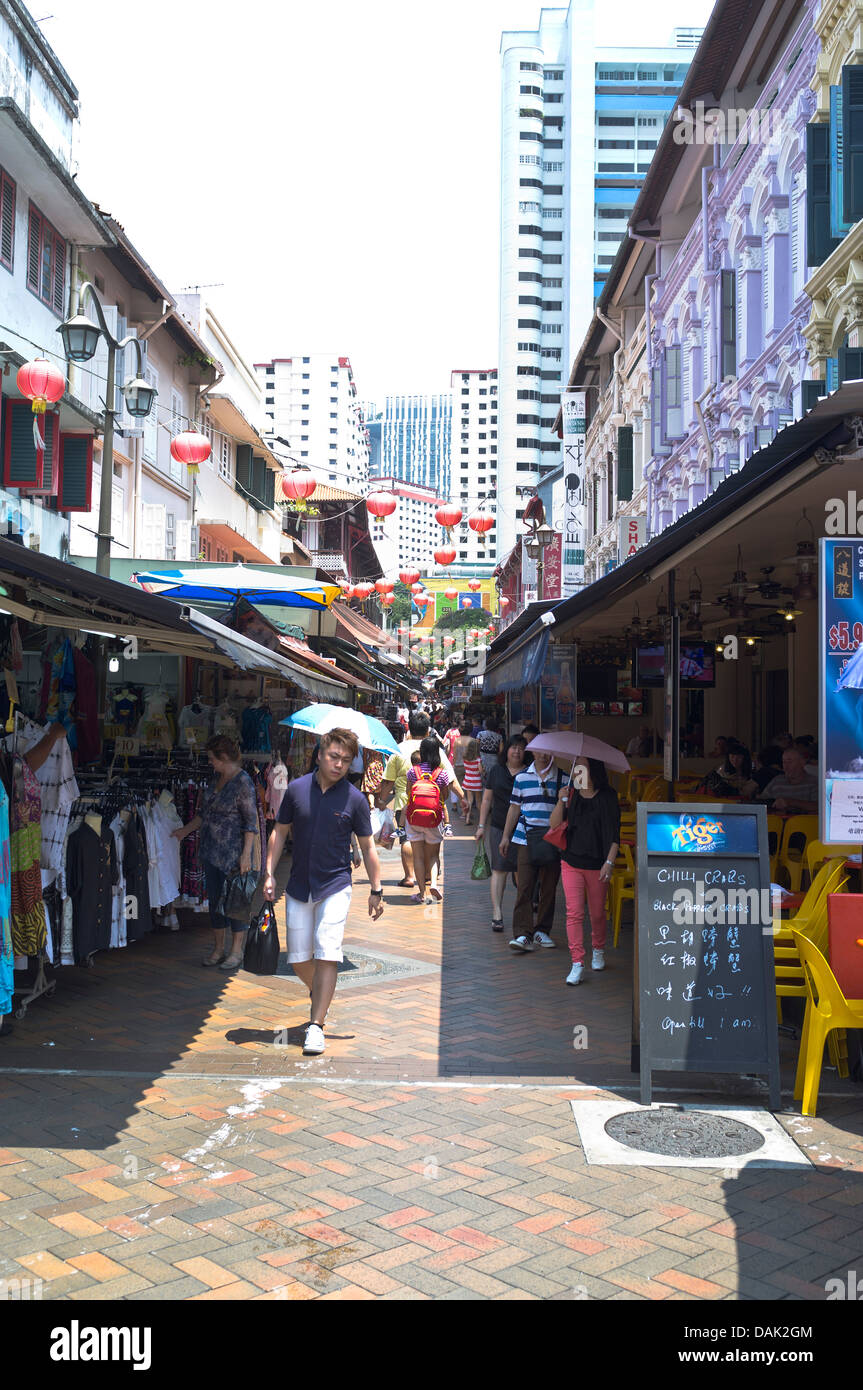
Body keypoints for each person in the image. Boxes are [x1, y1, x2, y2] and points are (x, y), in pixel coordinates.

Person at [263, 728, 383, 1057]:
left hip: (336, 884)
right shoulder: (297, 790)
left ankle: (316, 1025)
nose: (339, 763)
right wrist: (269, 873)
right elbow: (279, 833)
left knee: (328, 950)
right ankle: (322, 994)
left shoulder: (355, 800)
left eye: (345, 760)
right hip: (299, 885)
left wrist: (377, 888)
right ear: (319, 755)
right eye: (333, 756)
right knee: (299, 958)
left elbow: (368, 847)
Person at [173, 734, 259, 971]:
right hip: (211, 852)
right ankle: (219, 948)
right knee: (215, 904)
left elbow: (250, 823)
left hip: (233, 855)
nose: (209, 762)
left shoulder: (243, 782)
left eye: (212, 758)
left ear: (223, 757)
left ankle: (236, 950)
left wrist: (245, 855)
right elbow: (204, 813)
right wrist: (184, 831)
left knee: (236, 903)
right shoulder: (216, 780)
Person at [549, 757, 620, 986]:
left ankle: (598, 948)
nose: (576, 771)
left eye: (581, 767)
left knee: (598, 913)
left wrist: (609, 862)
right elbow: (554, 825)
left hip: (598, 864)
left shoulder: (608, 797)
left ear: (594, 770)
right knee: (574, 913)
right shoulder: (572, 794)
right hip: (571, 861)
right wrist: (561, 801)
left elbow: (614, 836)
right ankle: (577, 962)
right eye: (574, 767)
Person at [376, 710, 465, 888]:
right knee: (430, 842)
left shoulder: (399, 749)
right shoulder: (435, 749)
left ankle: (409, 876)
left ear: (409, 729)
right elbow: (451, 778)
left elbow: (388, 781)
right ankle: (427, 876)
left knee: (408, 839)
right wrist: (463, 798)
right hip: (433, 805)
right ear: (427, 731)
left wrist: (382, 800)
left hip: (406, 803)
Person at [500, 748, 563, 952]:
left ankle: (542, 930)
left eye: (547, 753)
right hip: (525, 838)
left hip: (552, 840)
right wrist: (505, 837)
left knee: (548, 887)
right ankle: (522, 934)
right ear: (533, 753)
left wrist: (564, 798)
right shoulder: (522, 778)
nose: (543, 756)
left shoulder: (563, 778)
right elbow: (514, 808)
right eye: (539, 752)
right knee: (524, 886)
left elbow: (568, 811)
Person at [475, 735, 527, 931]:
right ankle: (497, 913)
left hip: (523, 828)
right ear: (506, 750)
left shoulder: (529, 772)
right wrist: (481, 825)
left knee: (523, 872)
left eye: (521, 748)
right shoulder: (496, 771)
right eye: (513, 747)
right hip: (497, 825)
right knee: (499, 869)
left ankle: (522, 913)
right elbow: (487, 800)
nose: (516, 751)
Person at [405, 738, 452, 904]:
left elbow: (409, 793)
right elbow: (445, 796)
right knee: (433, 855)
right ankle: (433, 884)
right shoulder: (442, 773)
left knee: (418, 856)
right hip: (434, 820)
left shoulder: (413, 771)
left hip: (414, 819)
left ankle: (422, 894)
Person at [760, 746, 818, 812]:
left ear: (802, 762)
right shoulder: (777, 781)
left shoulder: (814, 782)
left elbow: (819, 807)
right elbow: (762, 803)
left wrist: (790, 802)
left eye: (790, 762)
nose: (786, 766)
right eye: (784, 762)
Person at [461, 737, 483, 824]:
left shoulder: (465, 758)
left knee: (469, 801)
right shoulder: (478, 760)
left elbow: (465, 768)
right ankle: (482, 820)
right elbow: (480, 771)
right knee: (478, 802)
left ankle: (467, 819)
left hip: (467, 781)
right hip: (476, 782)